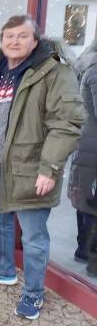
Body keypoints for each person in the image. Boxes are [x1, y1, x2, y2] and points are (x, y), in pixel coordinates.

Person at [0, 15, 85, 320]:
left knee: (33, 236)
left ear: (36, 40)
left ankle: (34, 294)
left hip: (32, 169)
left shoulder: (54, 73)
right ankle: (3, 269)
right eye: (8, 36)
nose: (14, 41)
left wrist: (49, 168)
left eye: (22, 36)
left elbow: (68, 123)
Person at [68, 38, 97, 277]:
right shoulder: (95, 71)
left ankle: (84, 249)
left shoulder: (88, 64)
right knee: (88, 199)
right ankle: (87, 252)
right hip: (92, 144)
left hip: (87, 142)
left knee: (85, 197)